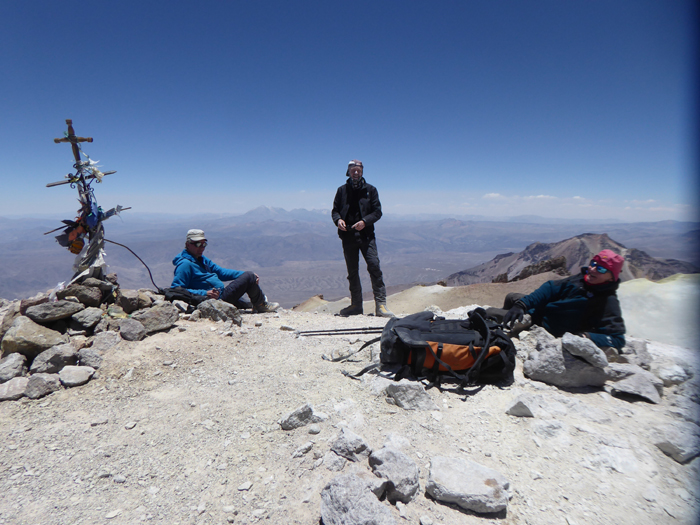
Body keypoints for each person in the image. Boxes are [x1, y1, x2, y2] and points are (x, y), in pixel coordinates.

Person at [501, 249, 626, 350]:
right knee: (511, 297)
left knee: (491, 313)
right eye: (593, 264)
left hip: (542, 323)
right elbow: (550, 288)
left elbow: (617, 339)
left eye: (601, 269)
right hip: (543, 310)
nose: (593, 269)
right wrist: (522, 304)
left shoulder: (608, 301)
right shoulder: (581, 279)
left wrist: (586, 336)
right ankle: (509, 320)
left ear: (611, 278)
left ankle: (505, 326)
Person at [331, 160, 394, 317]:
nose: (356, 173)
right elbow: (335, 211)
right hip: (348, 237)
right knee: (352, 272)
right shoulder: (342, 190)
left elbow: (377, 212)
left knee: (374, 267)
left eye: (358, 170)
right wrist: (338, 220)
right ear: (348, 172)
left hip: (366, 236)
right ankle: (356, 306)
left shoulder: (370, 190)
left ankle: (381, 305)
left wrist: (365, 222)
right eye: (353, 170)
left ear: (362, 171)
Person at [171, 229, 279, 313]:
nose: (202, 248)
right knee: (249, 276)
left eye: (204, 244)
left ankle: (257, 302)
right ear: (188, 244)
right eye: (197, 244)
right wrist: (204, 293)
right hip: (213, 300)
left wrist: (242, 274)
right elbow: (177, 290)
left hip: (220, 295)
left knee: (248, 286)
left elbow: (221, 273)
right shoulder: (185, 264)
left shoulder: (201, 260)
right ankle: (260, 305)